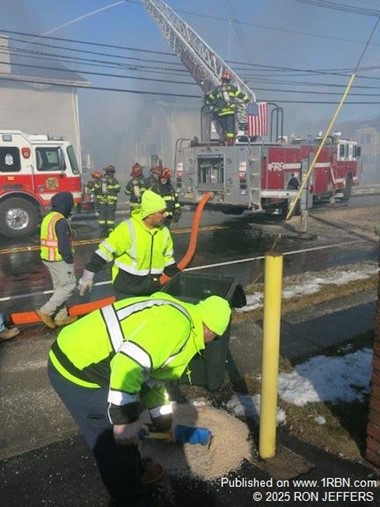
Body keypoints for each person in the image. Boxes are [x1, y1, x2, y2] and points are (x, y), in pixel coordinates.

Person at [47, 291, 232, 507]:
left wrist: (163, 424)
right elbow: (128, 365)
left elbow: (153, 380)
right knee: (114, 443)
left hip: (93, 358)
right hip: (77, 369)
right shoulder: (176, 327)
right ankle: (131, 499)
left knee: (128, 426)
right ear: (210, 330)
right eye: (216, 337)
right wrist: (123, 419)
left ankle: (137, 473)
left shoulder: (183, 317)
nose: (212, 342)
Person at [78, 190, 179, 301]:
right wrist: (88, 274)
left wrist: (180, 278)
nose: (165, 215)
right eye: (161, 212)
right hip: (127, 289)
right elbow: (105, 251)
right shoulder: (127, 228)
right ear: (149, 214)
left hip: (151, 288)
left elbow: (167, 259)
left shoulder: (164, 232)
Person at [36, 192, 78, 329]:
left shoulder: (49, 217)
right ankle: (46, 311)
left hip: (48, 257)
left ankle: (61, 317)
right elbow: (63, 245)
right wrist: (69, 260)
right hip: (59, 259)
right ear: (65, 205)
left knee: (60, 287)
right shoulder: (61, 221)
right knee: (69, 285)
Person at [204, 70, 249, 145]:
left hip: (220, 112)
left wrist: (208, 97)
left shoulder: (217, 89)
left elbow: (210, 99)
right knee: (230, 129)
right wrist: (247, 100)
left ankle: (225, 136)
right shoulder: (232, 88)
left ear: (222, 79)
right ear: (229, 80)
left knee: (224, 128)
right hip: (230, 111)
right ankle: (230, 142)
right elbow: (241, 96)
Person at [96, 165, 121, 236]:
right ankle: (110, 229)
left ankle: (102, 230)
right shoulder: (114, 180)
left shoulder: (101, 180)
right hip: (111, 202)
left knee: (102, 216)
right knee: (110, 216)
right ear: (112, 172)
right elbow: (118, 189)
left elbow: (96, 189)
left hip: (101, 201)